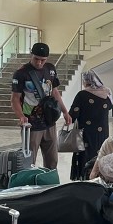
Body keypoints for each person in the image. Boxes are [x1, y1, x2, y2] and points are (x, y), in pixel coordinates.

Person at [10, 41, 71, 170]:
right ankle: (28, 182)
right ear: (31, 55)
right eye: (36, 59)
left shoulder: (50, 69)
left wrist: (65, 111)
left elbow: (55, 92)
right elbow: (15, 99)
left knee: (52, 161)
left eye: (42, 60)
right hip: (31, 124)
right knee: (28, 161)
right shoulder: (21, 73)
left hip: (50, 122)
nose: (39, 63)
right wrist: (21, 116)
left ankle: (49, 181)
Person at [69, 70, 112, 180]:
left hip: (86, 133)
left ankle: (85, 176)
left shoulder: (82, 95)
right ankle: (99, 175)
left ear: (85, 81)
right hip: (102, 133)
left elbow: (73, 114)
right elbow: (110, 107)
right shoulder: (106, 93)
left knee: (86, 154)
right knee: (100, 152)